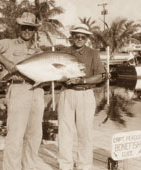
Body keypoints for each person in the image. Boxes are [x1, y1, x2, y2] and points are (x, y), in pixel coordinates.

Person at [0, 12, 44, 170]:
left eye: (30, 28)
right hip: (18, 88)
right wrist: (7, 62)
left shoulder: (38, 50)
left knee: (35, 135)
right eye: (24, 27)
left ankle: (29, 167)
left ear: (34, 30)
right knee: (15, 134)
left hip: (37, 91)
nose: (27, 31)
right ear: (19, 27)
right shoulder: (8, 43)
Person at [57, 24, 105, 170]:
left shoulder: (93, 53)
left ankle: (84, 165)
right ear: (72, 36)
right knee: (64, 132)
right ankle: (65, 165)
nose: (79, 39)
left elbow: (100, 76)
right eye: (76, 36)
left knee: (85, 132)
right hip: (66, 92)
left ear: (87, 38)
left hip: (85, 94)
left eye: (83, 37)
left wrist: (82, 80)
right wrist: (62, 78)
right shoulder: (64, 52)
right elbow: (56, 74)